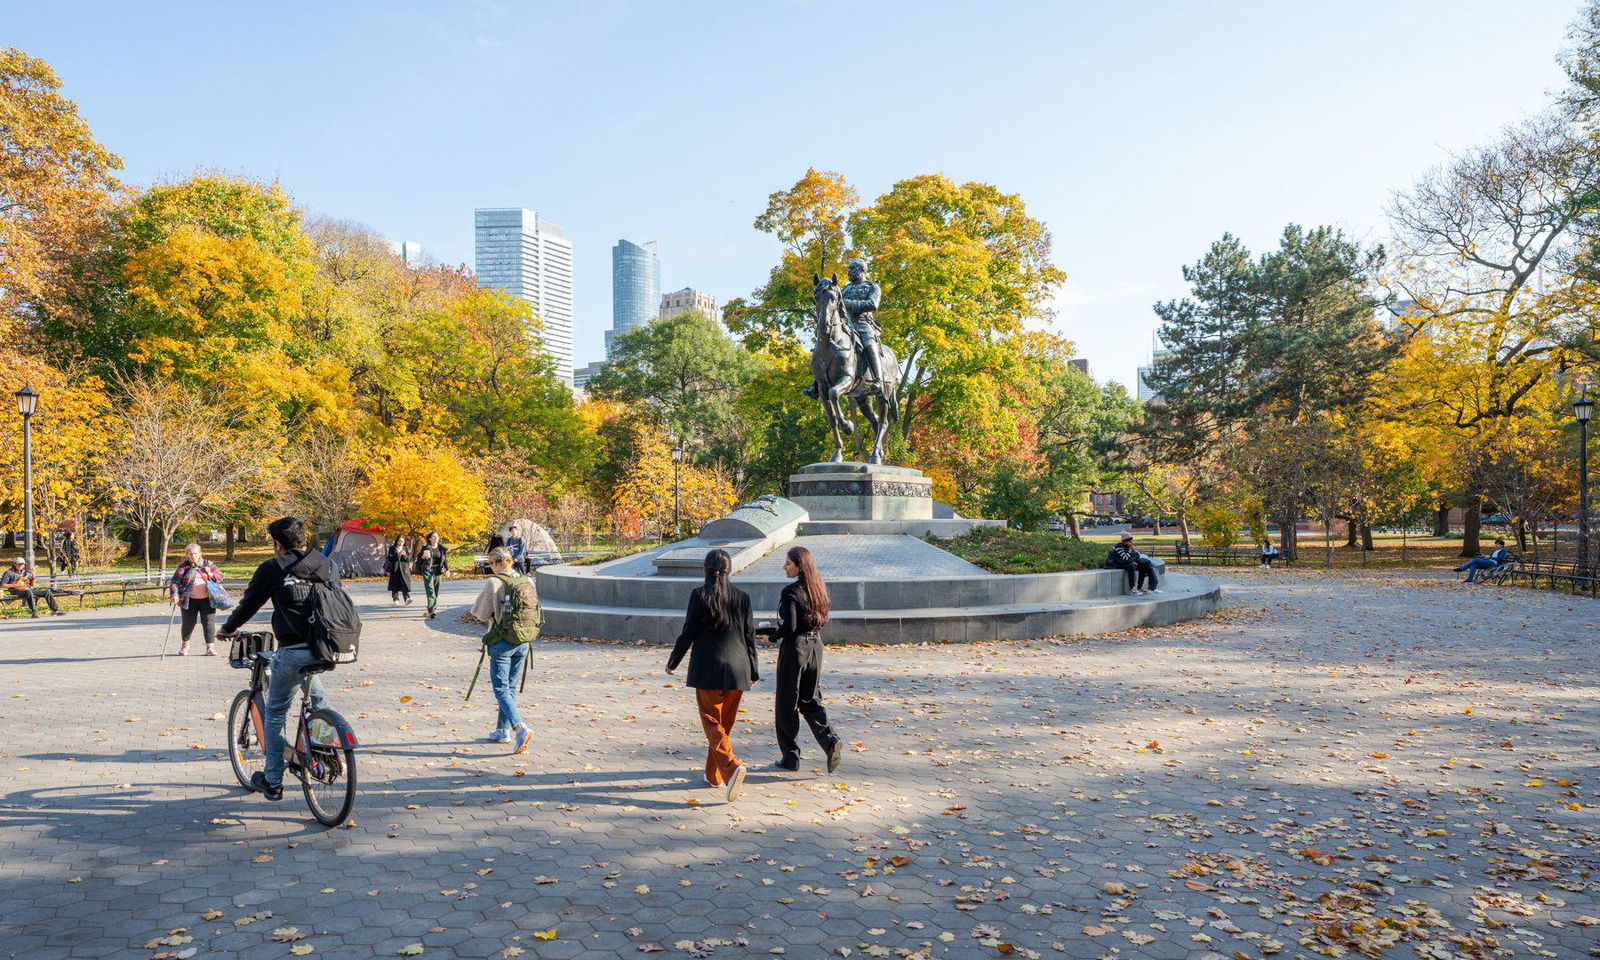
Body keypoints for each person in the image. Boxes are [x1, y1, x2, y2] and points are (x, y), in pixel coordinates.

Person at [215, 516, 335, 802]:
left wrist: (227, 629)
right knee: (319, 702)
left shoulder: (272, 568)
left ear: (278, 543)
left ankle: (272, 781)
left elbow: (248, 606)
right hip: (328, 648)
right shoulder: (326, 564)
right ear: (304, 539)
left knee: (276, 712)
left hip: (293, 651)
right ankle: (326, 753)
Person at [666, 549, 760, 802]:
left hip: (708, 669)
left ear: (706, 570)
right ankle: (713, 776)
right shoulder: (743, 597)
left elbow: (688, 632)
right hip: (738, 669)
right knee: (722, 727)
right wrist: (754, 669)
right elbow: (749, 636)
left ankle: (730, 768)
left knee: (711, 722)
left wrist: (673, 662)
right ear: (730, 569)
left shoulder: (699, 595)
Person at [765, 545, 843, 774]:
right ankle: (830, 741)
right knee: (810, 700)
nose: (784, 567)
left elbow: (789, 627)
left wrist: (772, 636)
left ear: (799, 566)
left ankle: (790, 758)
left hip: (795, 649)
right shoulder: (818, 588)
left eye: (788, 563)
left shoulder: (790, 591)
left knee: (786, 703)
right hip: (816, 646)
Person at [469, 546, 538, 752]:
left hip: (501, 642)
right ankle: (502, 731)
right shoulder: (527, 580)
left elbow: (479, 613)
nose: (490, 568)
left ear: (498, 563)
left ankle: (519, 727)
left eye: (490, 564)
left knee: (500, 688)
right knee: (509, 687)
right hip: (523, 641)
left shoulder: (494, 582)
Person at [169, 543, 224, 656]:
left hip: (207, 599)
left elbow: (220, 576)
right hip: (188, 599)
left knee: (208, 622)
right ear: (187, 555)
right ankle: (185, 646)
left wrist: (211, 573)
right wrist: (174, 594)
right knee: (188, 623)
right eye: (190, 554)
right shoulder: (184, 566)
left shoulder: (208, 564)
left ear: (200, 553)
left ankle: (210, 648)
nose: (193, 556)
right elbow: (175, 582)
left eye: (195, 553)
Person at [414, 531, 449, 620]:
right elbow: (419, 560)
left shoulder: (441, 548)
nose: (436, 538)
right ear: (430, 538)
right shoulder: (426, 548)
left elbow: (444, 560)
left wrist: (447, 570)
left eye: (437, 536)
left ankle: (432, 607)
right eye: (433, 537)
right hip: (428, 570)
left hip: (438, 570)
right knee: (430, 589)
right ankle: (431, 610)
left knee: (436, 589)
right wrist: (423, 557)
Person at [386, 535, 413, 605]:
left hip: (404, 568)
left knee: (405, 583)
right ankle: (396, 598)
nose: (400, 543)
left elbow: (409, 559)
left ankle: (407, 598)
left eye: (402, 541)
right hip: (395, 568)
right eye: (399, 541)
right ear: (396, 541)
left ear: (404, 542)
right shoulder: (392, 548)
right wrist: (397, 554)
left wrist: (404, 555)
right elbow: (389, 558)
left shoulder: (406, 548)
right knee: (395, 583)